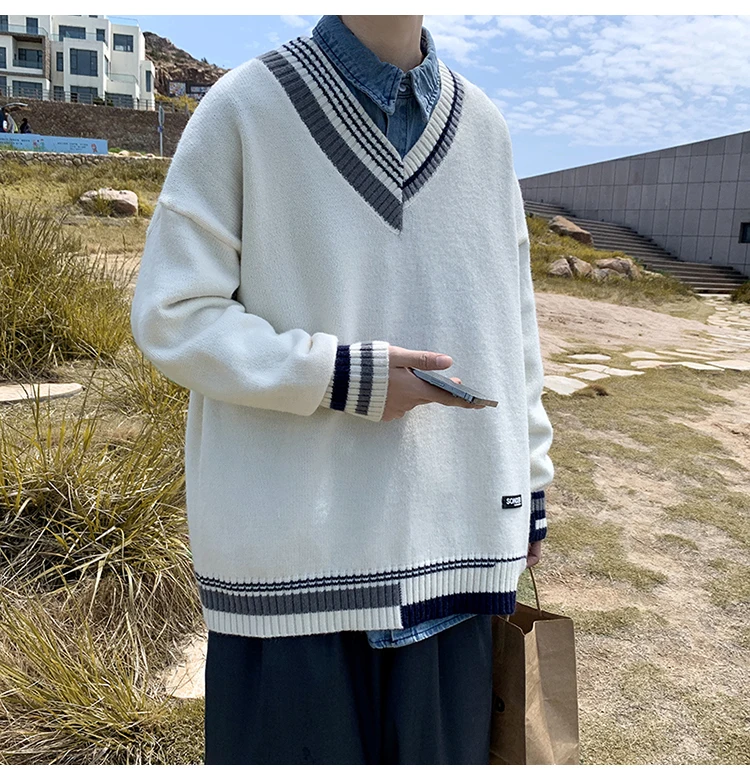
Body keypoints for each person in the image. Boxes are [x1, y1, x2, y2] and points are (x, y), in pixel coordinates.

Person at [130, 14, 554, 765]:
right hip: (292, 573)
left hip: (455, 558)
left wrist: (531, 484)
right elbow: (173, 315)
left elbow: (513, 327)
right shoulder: (247, 105)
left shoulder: (485, 128)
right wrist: (341, 377)